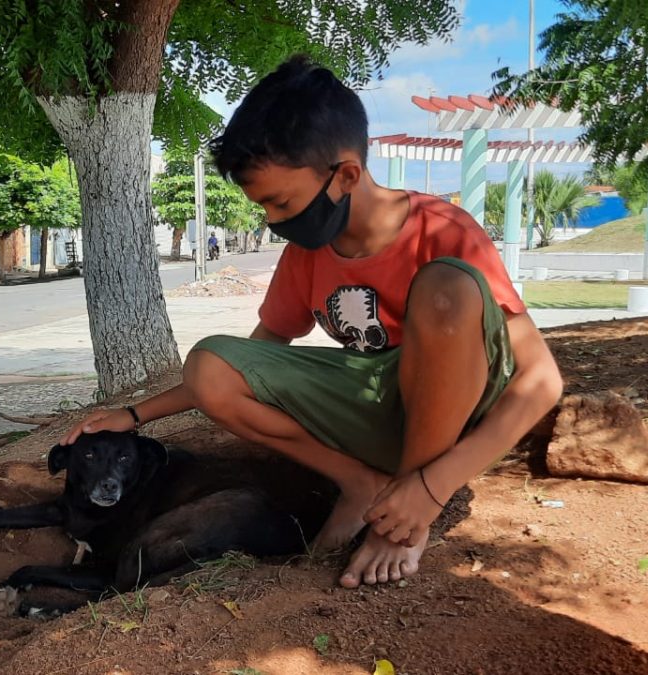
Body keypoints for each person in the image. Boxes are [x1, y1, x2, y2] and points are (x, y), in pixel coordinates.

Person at [63, 56, 562, 588]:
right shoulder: (308, 253)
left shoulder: (443, 229)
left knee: (448, 287)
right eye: (264, 209)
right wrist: (136, 414)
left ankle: (405, 512)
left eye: (280, 203)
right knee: (209, 360)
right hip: (373, 414)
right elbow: (243, 367)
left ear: (346, 174)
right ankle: (362, 484)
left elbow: (541, 381)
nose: (275, 222)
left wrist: (433, 487)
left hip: (450, 422)